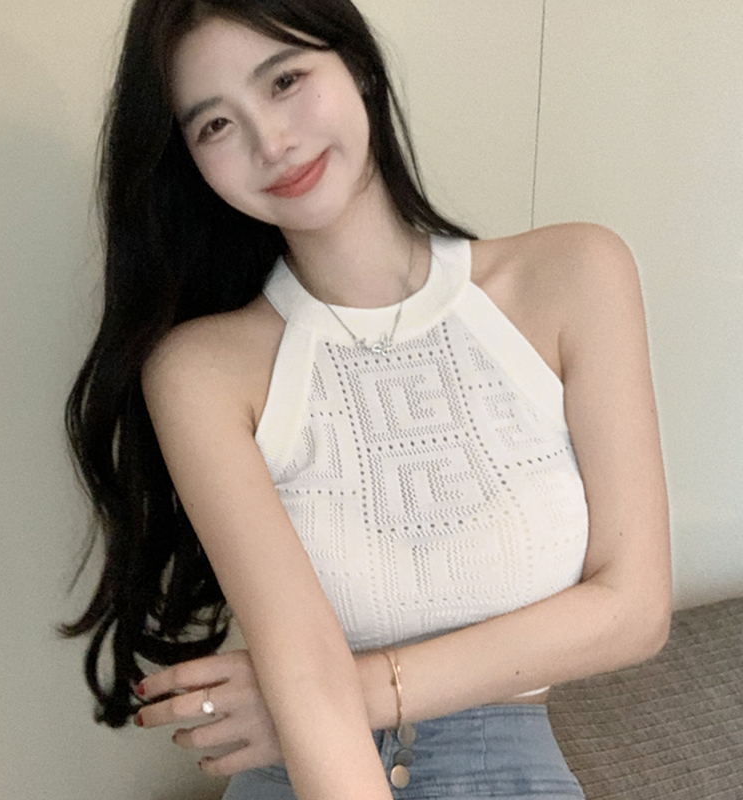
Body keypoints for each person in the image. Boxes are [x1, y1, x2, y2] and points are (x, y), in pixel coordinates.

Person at [63, 0, 672, 798]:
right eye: (215, 124)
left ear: (356, 64)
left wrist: (341, 693)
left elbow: (634, 607)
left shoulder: (576, 274)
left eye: (284, 80)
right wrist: (313, 698)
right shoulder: (201, 371)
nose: (271, 142)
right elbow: (301, 664)